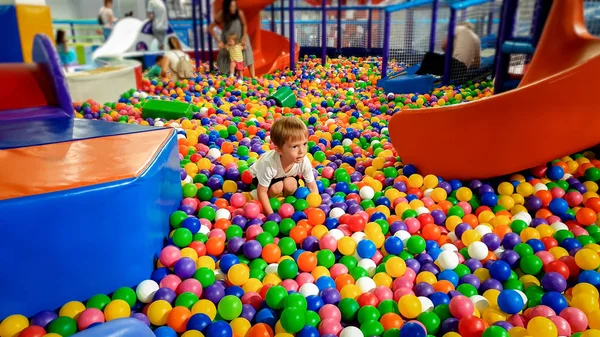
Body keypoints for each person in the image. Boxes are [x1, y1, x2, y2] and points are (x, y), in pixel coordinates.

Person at [249, 117, 318, 215]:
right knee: (277, 187)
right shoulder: (269, 163)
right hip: (259, 176)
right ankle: (267, 199)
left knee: (291, 184)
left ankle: (283, 199)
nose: (302, 151)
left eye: (304, 144)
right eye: (295, 146)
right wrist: (270, 215)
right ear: (279, 150)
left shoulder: (303, 160)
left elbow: (312, 186)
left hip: (285, 175)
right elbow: (262, 192)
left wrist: (314, 208)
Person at [415, 22, 481, 82]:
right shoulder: (476, 38)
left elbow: (444, 46)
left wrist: (452, 52)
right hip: (462, 70)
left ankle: (417, 76)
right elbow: (477, 64)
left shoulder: (458, 28)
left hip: (452, 66)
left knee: (429, 56)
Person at [208, 0, 255, 78]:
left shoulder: (239, 13)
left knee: (248, 55)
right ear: (226, 7)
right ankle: (232, 75)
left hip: (241, 37)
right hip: (229, 40)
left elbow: (244, 25)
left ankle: (253, 77)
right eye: (231, 6)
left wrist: (243, 38)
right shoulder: (222, 14)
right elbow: (211, 27)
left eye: (234, 6)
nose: (233, 8)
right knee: (229, 58)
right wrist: (218, 41)